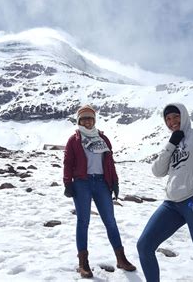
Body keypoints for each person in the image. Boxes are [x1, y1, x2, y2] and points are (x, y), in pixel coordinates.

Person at [137, 103, 193, 282]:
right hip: (171, 204)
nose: (172, 121)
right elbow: (157, 171)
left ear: (183, 115)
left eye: (175, 116)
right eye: (168, 119)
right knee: (144, 245)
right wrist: (171, 144)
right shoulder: (172, 144)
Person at [63, 104, 136, 278]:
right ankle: (83, 263)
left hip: (102, 183)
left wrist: (115, 182)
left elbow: (110, 162)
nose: (87, 121)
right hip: (82, 183)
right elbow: (67, 162)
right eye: (84, 118)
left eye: (90, 118)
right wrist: (67, 183)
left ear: (94, 120)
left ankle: (121, 258)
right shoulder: (74, 140)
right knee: (83, 221)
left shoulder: (103, 139)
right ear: (79, 120)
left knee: (110, 221)